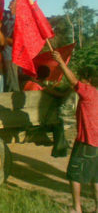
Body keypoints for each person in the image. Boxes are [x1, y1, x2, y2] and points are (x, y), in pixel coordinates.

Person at [52, 50, 97, 213]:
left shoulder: (88, 92)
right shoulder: (96, 93)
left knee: (73, 174)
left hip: (87, 141)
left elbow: (73, 82)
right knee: (95, 177)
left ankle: (77, 208)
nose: (81, 82)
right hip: (97, 142)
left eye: (83, 78)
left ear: (89, 80)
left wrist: (61, 62)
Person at [2, 0, 20, 91]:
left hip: (11, 56)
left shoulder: (18, 21)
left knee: (12, 82)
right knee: (6, 81)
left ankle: (15, 103)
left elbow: (17, 42)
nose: (10, 2)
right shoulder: (7, 17)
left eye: (12, 1)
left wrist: (2, 39)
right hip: (4, 55)